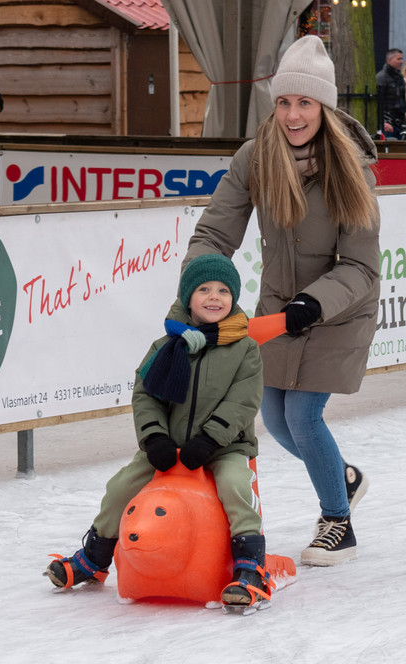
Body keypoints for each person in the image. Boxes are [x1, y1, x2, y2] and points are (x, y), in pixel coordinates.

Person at [186, 34, 380, 566]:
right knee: (274, 419)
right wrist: (199, 283)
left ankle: (338, 521)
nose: (293, 115)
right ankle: (342, 476)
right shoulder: (256, 157)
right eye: (285, 102)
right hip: (278, 310)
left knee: (303, 416)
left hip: (338, 310)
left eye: (305, 103)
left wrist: (311, 304)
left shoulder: (350, 168)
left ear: (324, 108)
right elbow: (215, 232)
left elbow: (361, 266)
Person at [45, 254, 271, 610]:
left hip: (225, 446)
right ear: (187, 297)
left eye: (223, 290)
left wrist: (211, 439)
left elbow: (243, 401)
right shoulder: (165, 346)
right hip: (169, 445)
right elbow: (146, 395)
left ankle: (250, 567)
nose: (214, 297)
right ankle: (95, 557)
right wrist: (154, 438)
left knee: (235, 485)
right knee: (120, 486)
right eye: (204, 289)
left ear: (234, 298)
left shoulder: (245, 349)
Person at [376, 47, 406, 138]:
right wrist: (383, 122)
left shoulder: (399, 77)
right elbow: (378, 102)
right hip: (388, 124)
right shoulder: (382, 77)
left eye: (402, 59)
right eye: (398, 59)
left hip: (399, 123)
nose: (401, 61)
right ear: (390, 59)